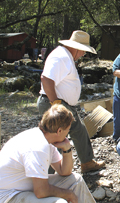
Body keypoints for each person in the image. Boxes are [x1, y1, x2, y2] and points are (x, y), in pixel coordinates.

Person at [0, 104, 102, 203]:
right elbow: (41, 191)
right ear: (59, 130)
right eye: (68, 130)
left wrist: (67, 149)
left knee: (75, 181)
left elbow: (64, 172)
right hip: (6, 196)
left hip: (23, 186)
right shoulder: (38, 147)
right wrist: (68, 194)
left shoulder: (47, 138)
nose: (68, 134)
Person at [37, 30, 105, 173]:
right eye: (83, 51)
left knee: (79, 130)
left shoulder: (66, 56)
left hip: (64, 104)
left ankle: (87, 162)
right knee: (55, 138)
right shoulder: (61, 57)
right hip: (56, 103)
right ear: (77, 48)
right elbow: (46, 79)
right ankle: (46, 174)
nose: (83, 55)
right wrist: (55, 104)